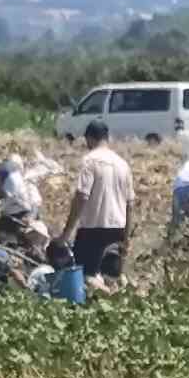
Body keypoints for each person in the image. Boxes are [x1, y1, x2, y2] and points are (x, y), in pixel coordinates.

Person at [59, 120, 135, 292]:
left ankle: (107, 297)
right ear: (107, 138)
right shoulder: (123, 164)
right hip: (117, 228)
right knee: (110, 278)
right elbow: (130, 204)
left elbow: (81, 196)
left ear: (89, 138)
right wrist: (127, 238)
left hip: (93, 229)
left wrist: (66, 233)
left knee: (86, 276)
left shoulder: (90, 161)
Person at [0, 146, 47, 260]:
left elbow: (3, 193)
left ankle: (10, 258)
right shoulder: (13, 165)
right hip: (29, 205)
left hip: (16, 209)